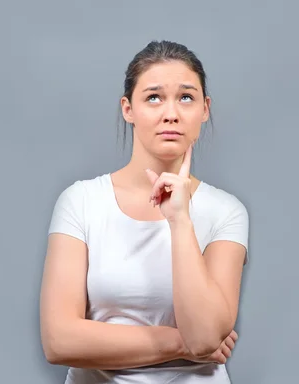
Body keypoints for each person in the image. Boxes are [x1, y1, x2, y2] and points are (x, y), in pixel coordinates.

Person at [40, 40, 250, 383]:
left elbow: (204, 335)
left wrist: (180, 219)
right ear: (128, 109)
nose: (171, 113)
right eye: (153, 97)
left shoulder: (226, 211)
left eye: (186, 97)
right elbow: (58, 340)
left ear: (205, 109)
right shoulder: (81, 201)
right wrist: (181, 344)